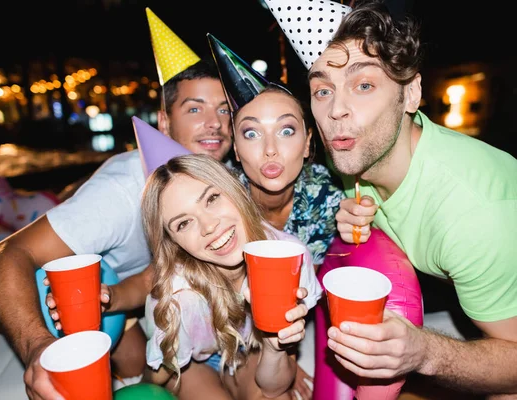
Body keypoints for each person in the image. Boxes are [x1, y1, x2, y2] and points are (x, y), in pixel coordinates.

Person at [0, 9, 233, 400]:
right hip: (106, 297)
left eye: (224, 110)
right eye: (195, 109)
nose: (214, 123)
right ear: (163, 122)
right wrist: (36, 345)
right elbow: (4, 255)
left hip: (163, 296)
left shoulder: (230, 172)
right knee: (126, 362)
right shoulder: (118, 194)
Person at [273, 0, 517, 397]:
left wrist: (425, 353)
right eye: (322, 89)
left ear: (411, 93)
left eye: (364, 85)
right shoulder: (355, 159)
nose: (337, 110)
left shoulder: (473, 213)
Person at [207, 33, 344, 399]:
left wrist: (360, 225)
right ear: (235, 147)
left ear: (309, 142)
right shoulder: (216, 201)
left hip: (291, 333)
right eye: (252, 133)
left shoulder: (331, 196)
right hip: (221, 333)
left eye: (286, 130)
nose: (270, 150)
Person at [139, 153, 321, 399]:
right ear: (174, 243)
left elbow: (274, 388)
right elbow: (157, 375)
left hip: (249, 350)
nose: (209, 226)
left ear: (235, 190)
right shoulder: (178, 296)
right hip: (192, 364)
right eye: (183, 223)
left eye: (212, 198)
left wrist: (276, 350)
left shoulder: (289, 259)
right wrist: (139, 388)